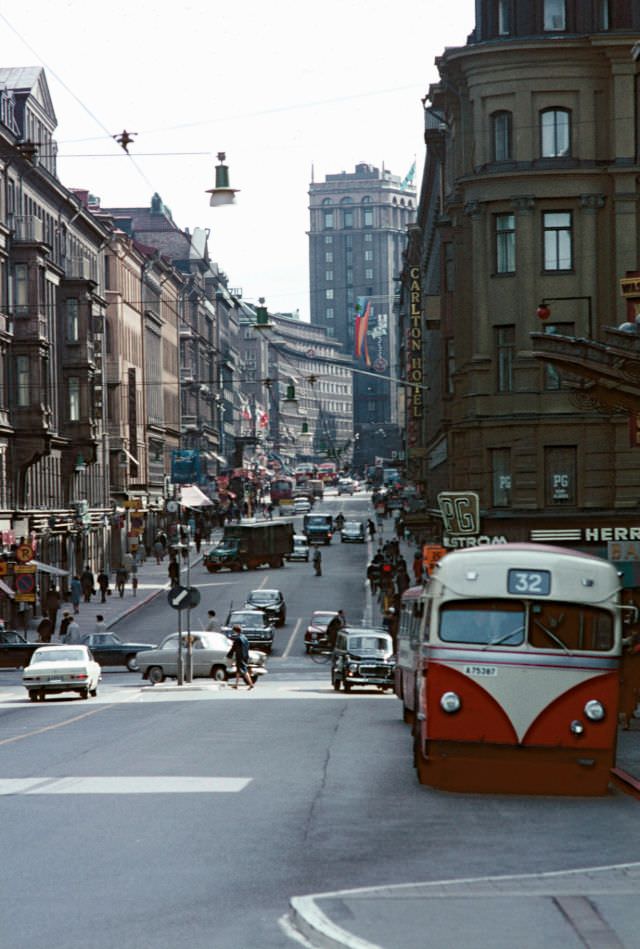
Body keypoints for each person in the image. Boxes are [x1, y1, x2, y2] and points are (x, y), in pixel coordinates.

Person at [226, 624, 254, 689]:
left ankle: (251, 684)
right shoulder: (245, 638)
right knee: (239, 670)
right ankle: (236, 685)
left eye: (233, 631)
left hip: (240, 656)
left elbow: (233, 648)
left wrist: (229, 655)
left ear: (235, 631)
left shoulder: (238, 639)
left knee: (244, 670)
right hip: (245, 656)